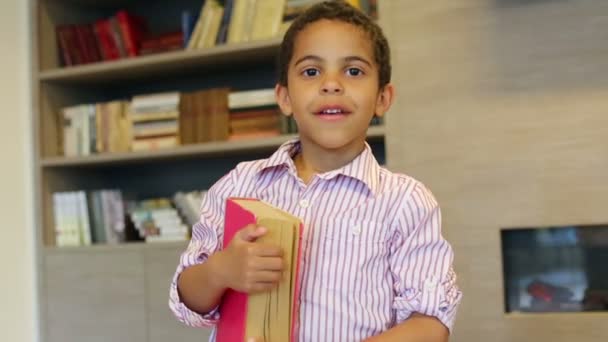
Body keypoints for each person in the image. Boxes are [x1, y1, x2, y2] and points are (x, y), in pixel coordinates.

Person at [169, 1, 462, 341]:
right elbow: (186, 300)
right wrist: (220, 271)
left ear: (383, 98)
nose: (331, 84)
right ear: (284, 97)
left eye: (353, 71)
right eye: (311, 72)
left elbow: (430, 322)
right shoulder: (240, 184)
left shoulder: (405, 201)